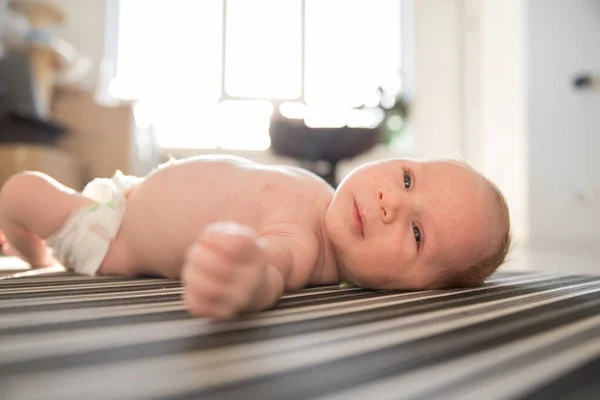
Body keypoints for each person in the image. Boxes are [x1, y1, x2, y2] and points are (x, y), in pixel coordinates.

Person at [0, 155, 511, 320]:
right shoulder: (324, 197)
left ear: (414, 290)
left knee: (22, 191)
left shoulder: (305, 247)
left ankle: (38, 254)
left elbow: (272, 266)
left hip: (108, 233)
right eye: (406, 179)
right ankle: (37, 252)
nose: (391, 203)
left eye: (417, 233)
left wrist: (243, 274)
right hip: (130, 194)